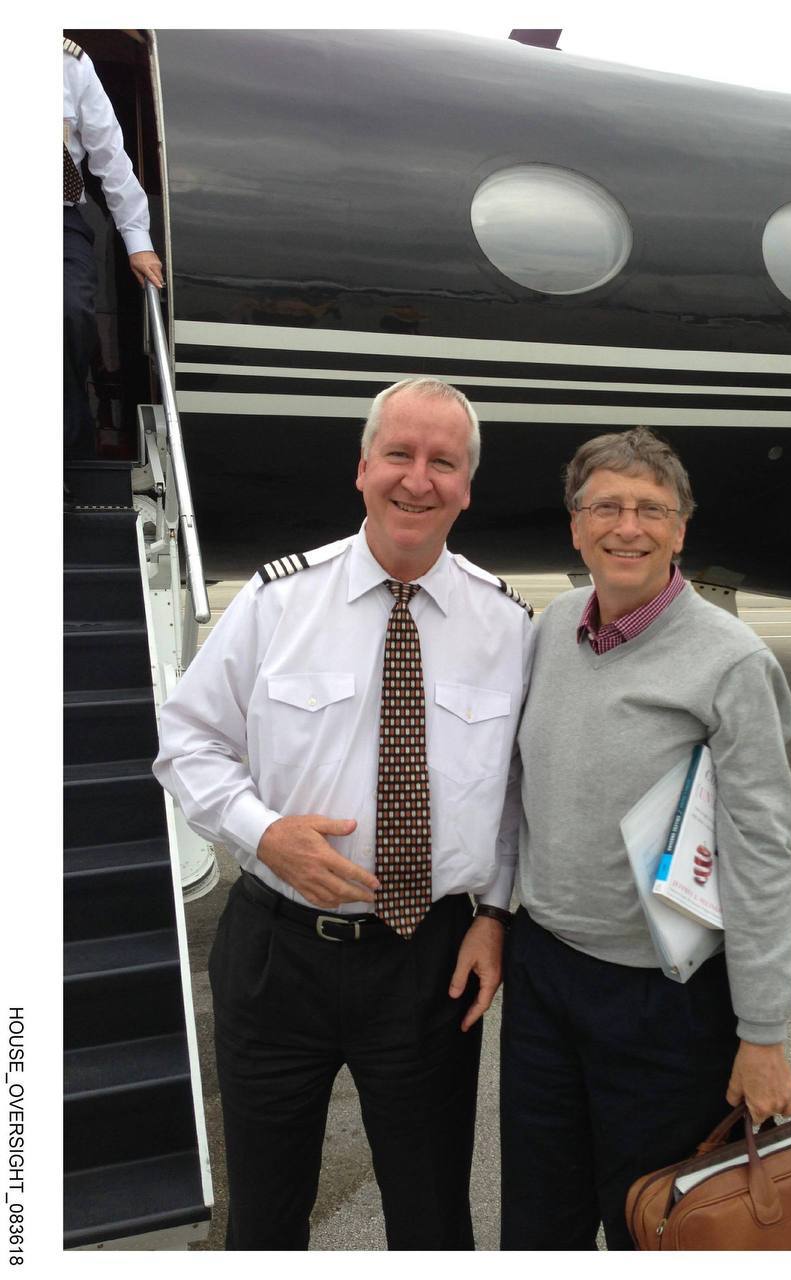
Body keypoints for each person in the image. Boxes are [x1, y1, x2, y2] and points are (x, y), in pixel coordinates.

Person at [153, 377, 533, 1250]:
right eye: (398, 454)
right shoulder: (279, 600)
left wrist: (494, 916)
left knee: (432, 1220)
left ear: (467, 487)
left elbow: (515, 796)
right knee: (265, 1217)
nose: (417, 479)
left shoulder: (506, 626)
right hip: (277, 953)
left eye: (443, 462)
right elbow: (187, 741)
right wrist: (261, 831)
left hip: (427, 960)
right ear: (363, 468)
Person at [499, 427, 791, 1250]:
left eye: (649, 510)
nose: (626, 527)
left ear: (679, 530)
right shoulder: (552, 628)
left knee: (655, 1230)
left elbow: (762, 853)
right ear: (575, 526)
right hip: (545, 974)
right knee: (537, 1222)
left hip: (663, 1002)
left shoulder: (730, 662)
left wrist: (762, 1033)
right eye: (605, 507)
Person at [64, 35, 163, 454]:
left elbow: (110, 156)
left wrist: (137, 240)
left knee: (70, 312)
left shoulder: (68, 62)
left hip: (58, 218)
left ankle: (67, 452)